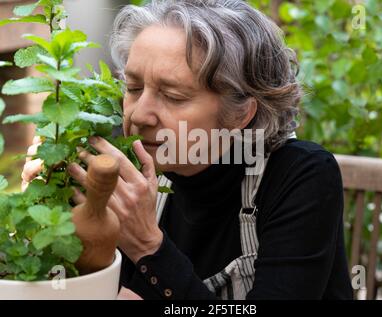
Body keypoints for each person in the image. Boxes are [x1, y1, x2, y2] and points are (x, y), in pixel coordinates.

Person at [22, 0, 353, 299]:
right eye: (133, 87)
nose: (138, 115)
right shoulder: (131, 171)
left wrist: (149, 246)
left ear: (240, 113)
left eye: (173, 96)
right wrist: (40, 213)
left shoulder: (300, 176)